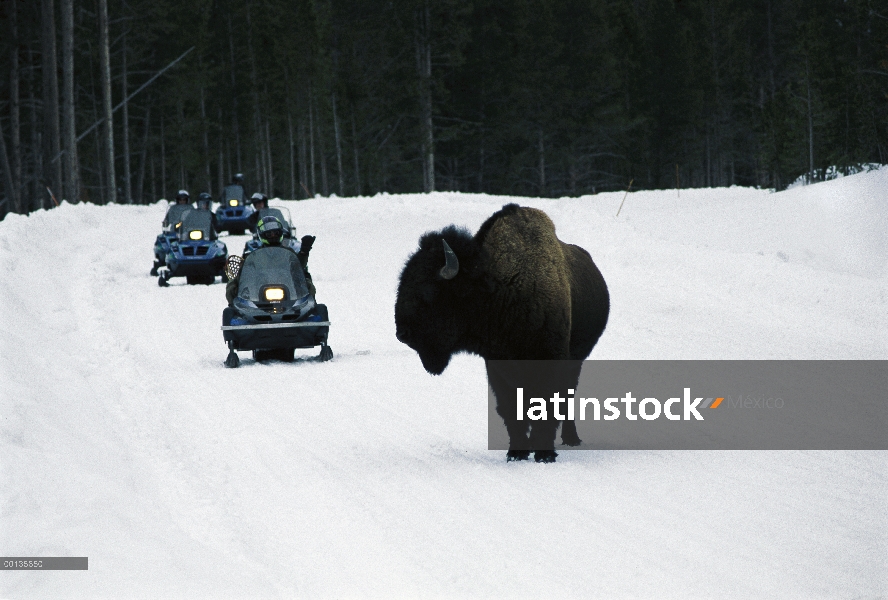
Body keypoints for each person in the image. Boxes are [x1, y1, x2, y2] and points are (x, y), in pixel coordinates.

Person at [226, 215, 317, 305]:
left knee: (308, 282)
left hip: (289, 291)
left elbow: (298, 268)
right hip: (258, 294)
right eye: (269, 233)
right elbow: (245, 276)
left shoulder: (289, 253)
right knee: (232, 285)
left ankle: (310, 307)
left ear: (280, 233)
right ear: (262, 234)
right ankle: (236, 308)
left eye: (275, 233)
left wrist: (304, 252)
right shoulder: (253, 256)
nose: (273, 235)